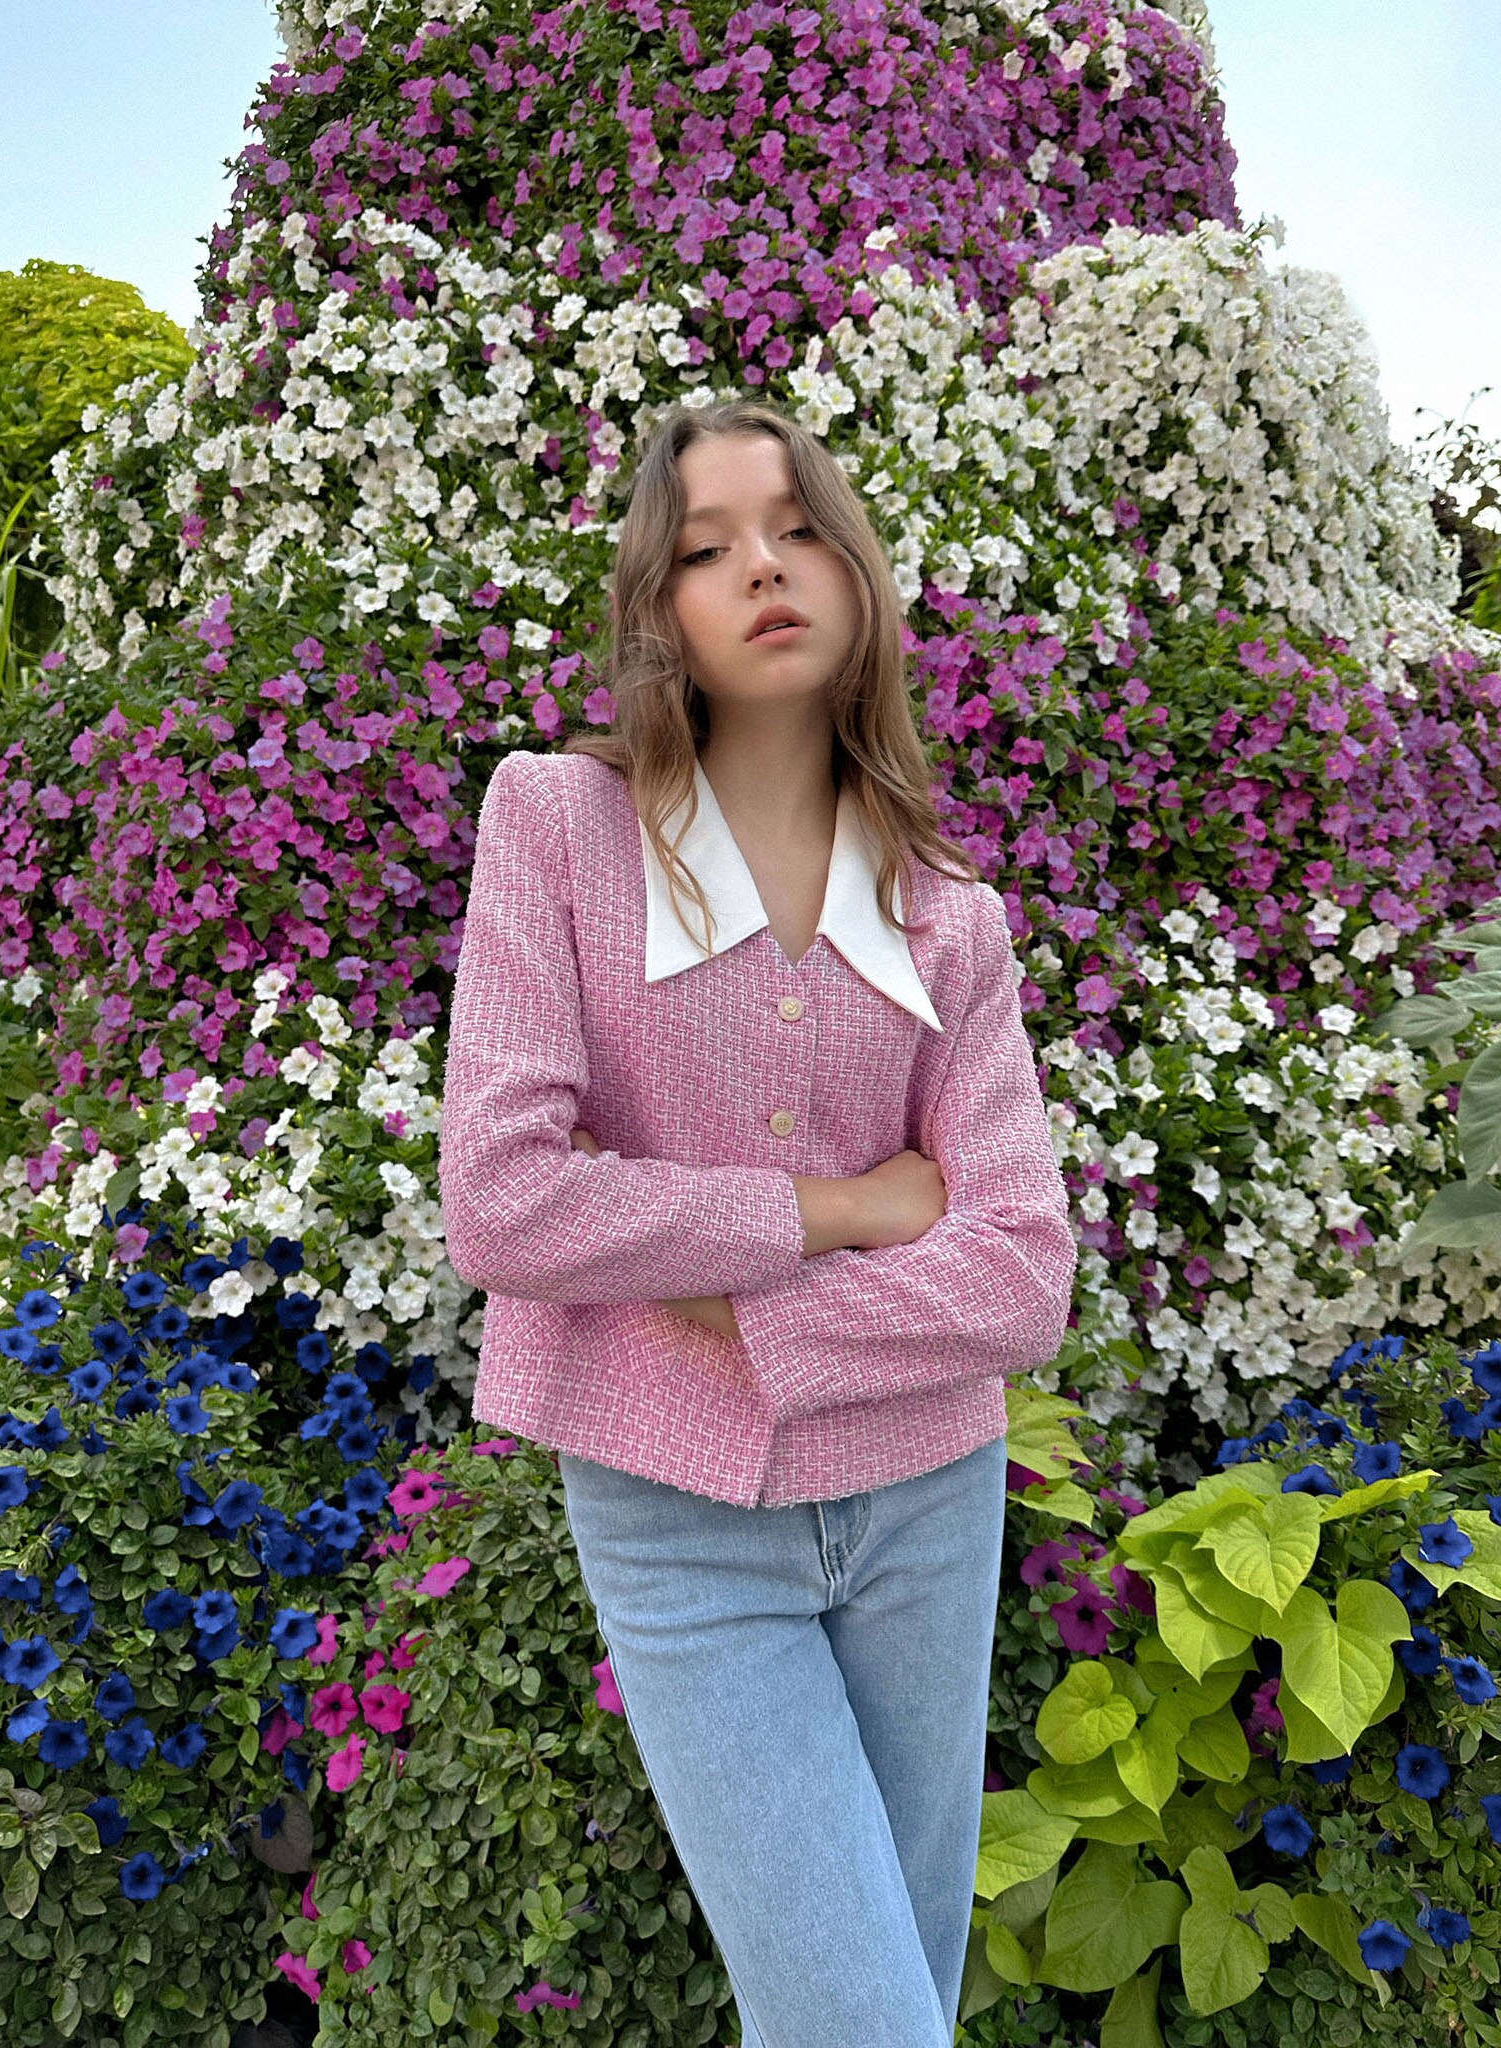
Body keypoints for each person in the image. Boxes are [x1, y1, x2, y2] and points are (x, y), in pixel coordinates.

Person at [438, 397, 1077, 2047]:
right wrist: (839, 1211)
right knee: (861, 2021)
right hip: (674, 1513)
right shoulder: (560, 827)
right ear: (661, 611)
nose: (762, 569)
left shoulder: (955, 923)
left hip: (932, 1498)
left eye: (795, 529)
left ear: (855, 575)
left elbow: (1020, 1275)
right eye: (708, 547)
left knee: (901, 1991)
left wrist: (750, 1306)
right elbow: (504, 1203)